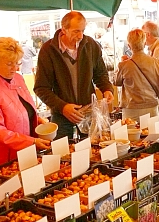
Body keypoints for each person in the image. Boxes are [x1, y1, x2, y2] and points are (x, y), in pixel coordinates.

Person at [34, 11, 114, 140]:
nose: (80, 36)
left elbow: (100, 74)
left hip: (88, 112)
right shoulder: (48, 50)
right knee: (62, 154)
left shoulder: (91, 45)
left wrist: (107, 89)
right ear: (63, 29)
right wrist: (63, 107)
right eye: (76, 31)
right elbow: (41, 88)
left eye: (82, 30)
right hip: (61, 114)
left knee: (92, 152)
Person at [0, 37, 50, 168]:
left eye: (17, 63)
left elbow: (22, 110)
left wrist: (37, 120)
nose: (15, 68)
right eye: (9, 64)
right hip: (1, 157)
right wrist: (31, 141)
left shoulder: (18, 79)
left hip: (23, 152)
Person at [115, 29, 159, 121]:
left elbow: (116, 82)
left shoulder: (123, 65)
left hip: (131, 108)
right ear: (144, 44)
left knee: (130, 134)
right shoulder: (158, 63)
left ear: (129, 46)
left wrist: (121, 64)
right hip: (151, 107)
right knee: (152, 134)